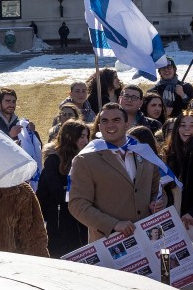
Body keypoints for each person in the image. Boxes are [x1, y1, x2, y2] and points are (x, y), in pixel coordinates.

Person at [68, 103, 166, 242]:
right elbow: (77, 204)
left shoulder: (143, 152)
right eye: (105, 121)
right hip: (112, 243)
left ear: (127, 124)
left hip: (150, 237)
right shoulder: (85, 159)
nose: (110, 125)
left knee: (165, 263)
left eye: (116, 120)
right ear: (99, 126)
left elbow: (158, 188)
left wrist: (157, 201)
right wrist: (113, 224)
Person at [37, 120, 90, 258]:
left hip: (84, 220)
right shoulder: (53, 161)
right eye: (82, 136)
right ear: (69, 137)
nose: (86, 140)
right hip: (61, 223)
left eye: (86, 136)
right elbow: (56, 193)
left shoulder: (87, 159)